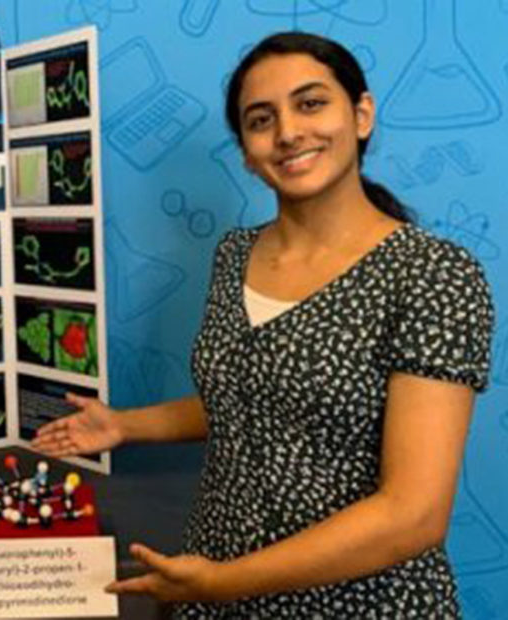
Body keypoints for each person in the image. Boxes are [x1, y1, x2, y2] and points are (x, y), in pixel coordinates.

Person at [32, 32, 494, 617]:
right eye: (261, 119)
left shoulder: (433, 274)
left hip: (357, 602)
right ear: (248, 154)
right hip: (214, 577)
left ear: (361, 114)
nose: (288, 132)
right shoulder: (234, 254)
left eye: (310, 103)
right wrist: (124, 426)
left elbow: (413, 513)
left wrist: (226, 583)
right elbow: (256, 396)